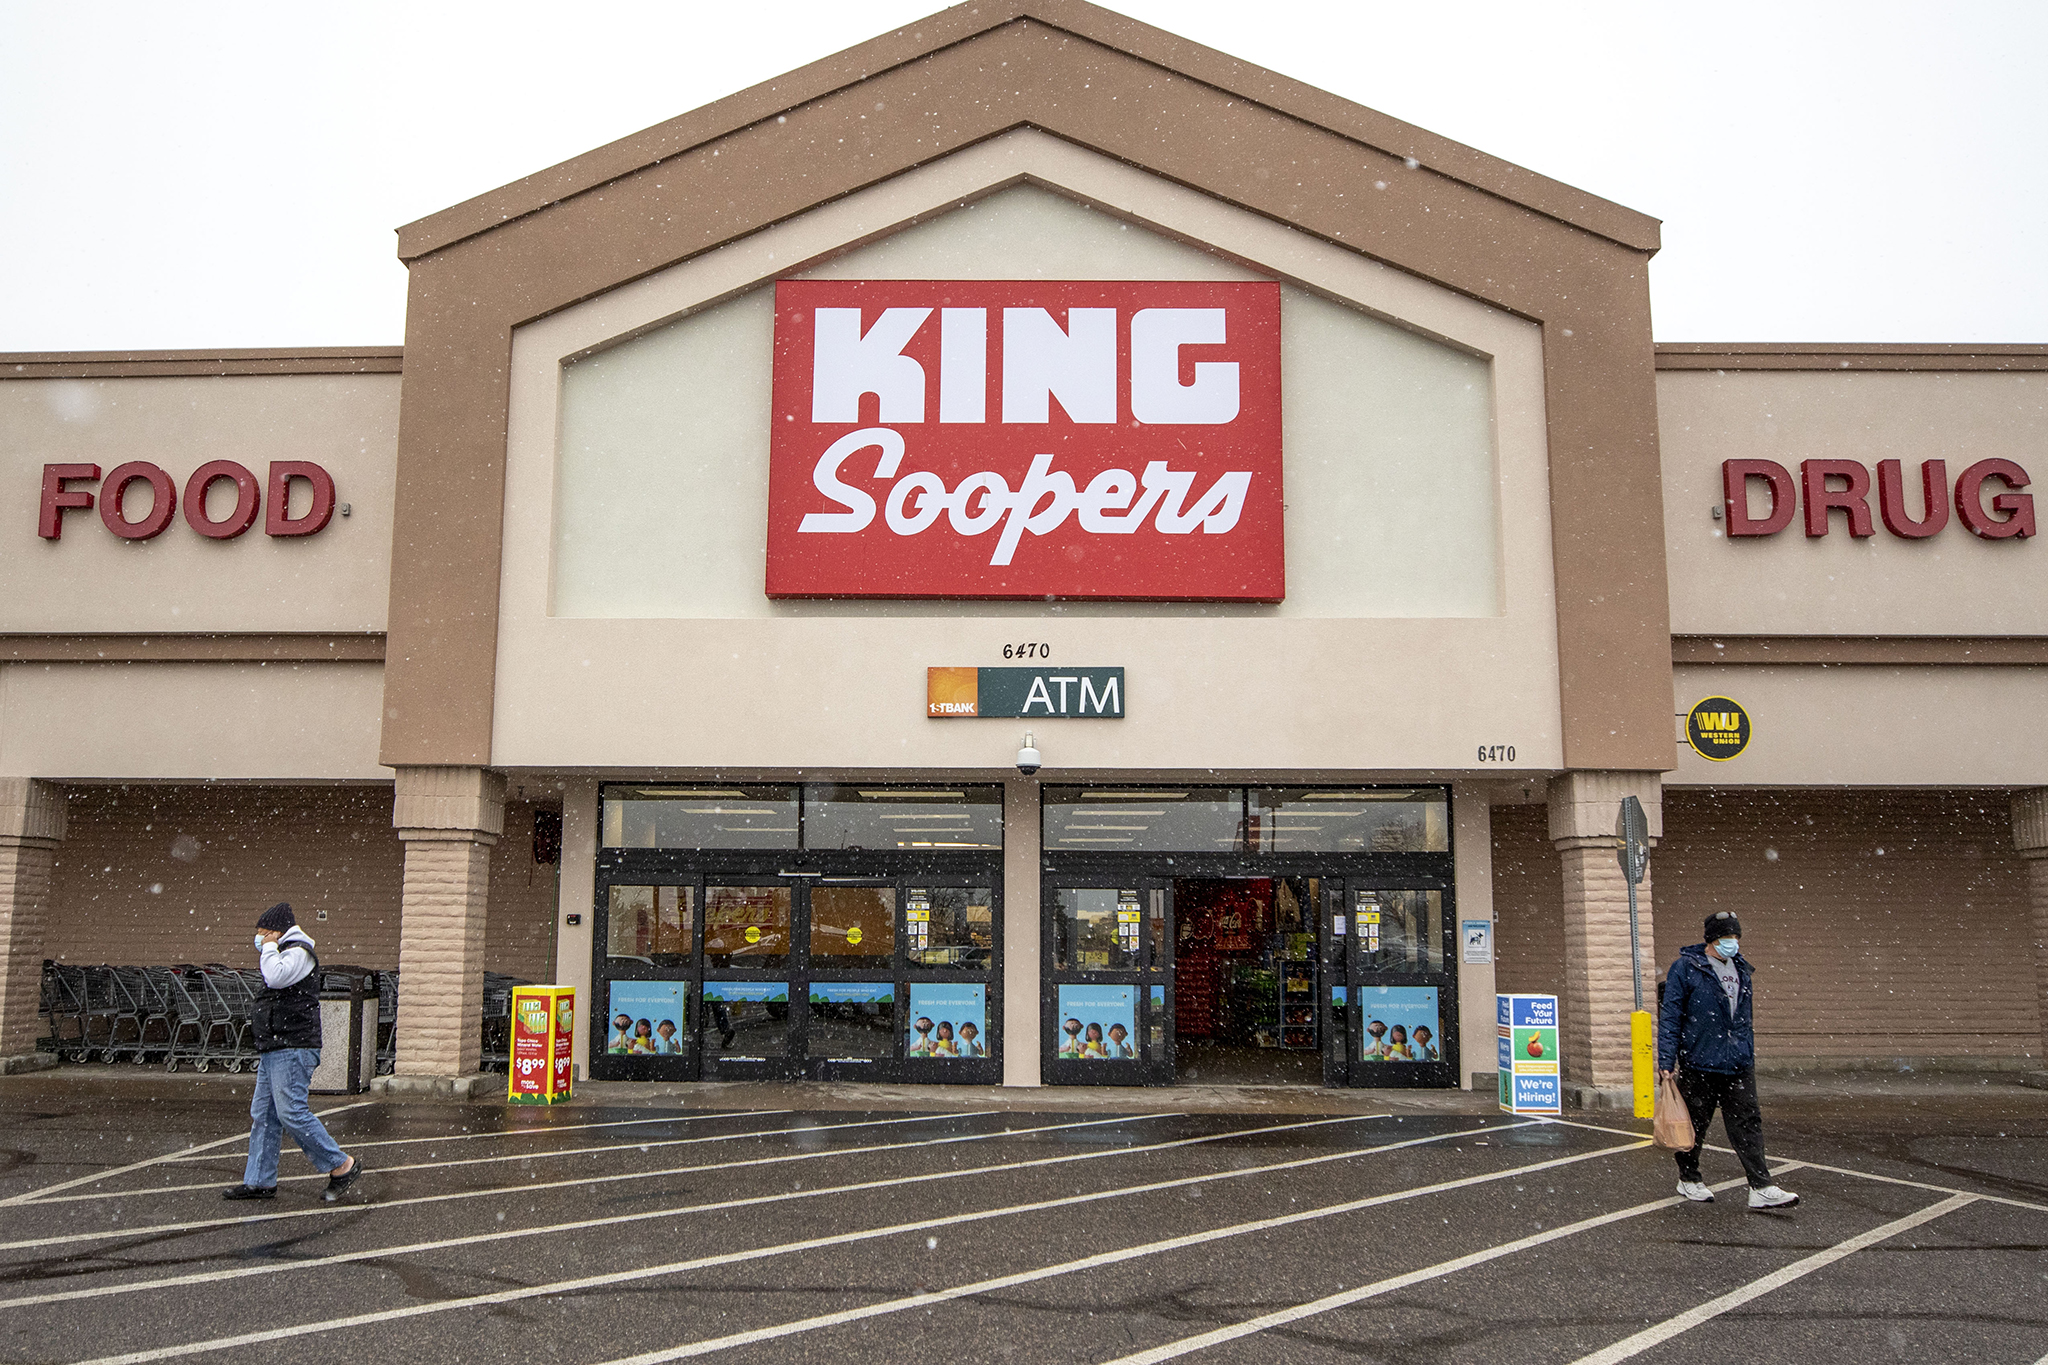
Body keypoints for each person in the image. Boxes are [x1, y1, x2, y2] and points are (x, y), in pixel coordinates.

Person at [221, 903, 364, 1203]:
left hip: (293, 1046)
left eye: (264, 933)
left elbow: (275, 977)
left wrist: (268, 948)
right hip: (275, 1046)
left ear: (278, 931)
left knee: (291, 1112)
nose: (260, 939)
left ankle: (341, 1165)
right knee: (265, 1114)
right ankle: (259, 1181)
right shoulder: (284, 951)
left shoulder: (298, 952)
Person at [1657, 911, 1799, 1210]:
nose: (1732, 942)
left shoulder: (1741, 968)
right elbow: (1671, 1016)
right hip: (1699, 1061)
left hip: (1737, 1062)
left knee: (1747, 1123)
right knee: (1694, 1124)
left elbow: (1743, 1018)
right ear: (1712, 939)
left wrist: (1745, 1049)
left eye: (1735, 936)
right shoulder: (1686, 968)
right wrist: (1667, 1060)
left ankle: (1761, 1186)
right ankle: (1689, 1178)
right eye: (1726, 937)